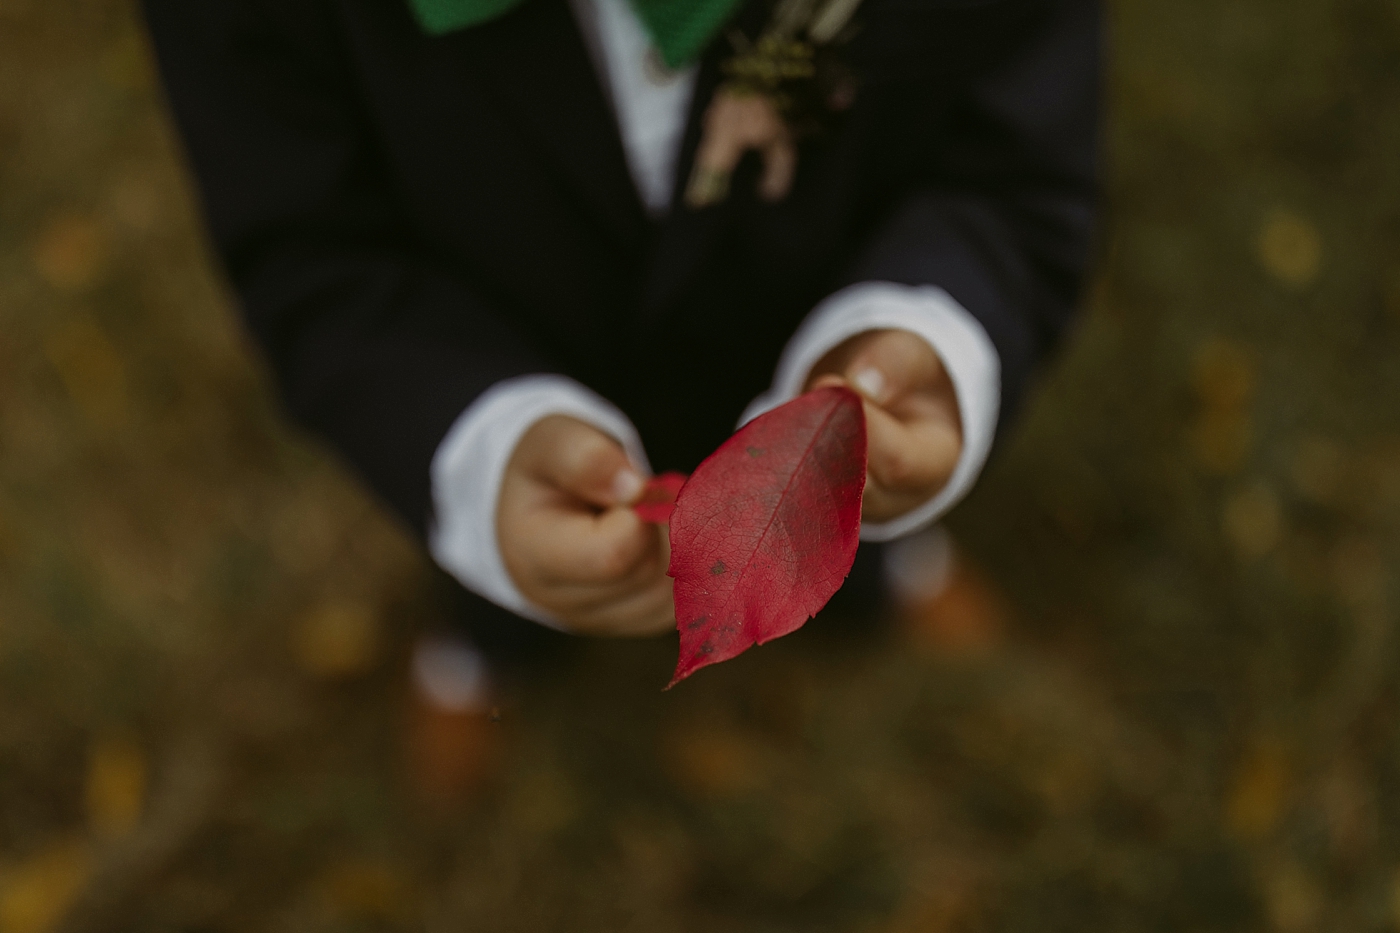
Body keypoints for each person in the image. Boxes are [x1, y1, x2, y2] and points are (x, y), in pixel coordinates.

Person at [142, 0, 1099, 664]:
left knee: (843, 488)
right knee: (527, 562)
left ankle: (878, 572)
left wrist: (921, 331)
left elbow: (1006, 154)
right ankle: (489, 649)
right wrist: (481, 453)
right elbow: (312, 252)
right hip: (506, 334)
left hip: (809, 296)